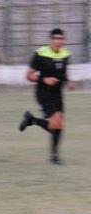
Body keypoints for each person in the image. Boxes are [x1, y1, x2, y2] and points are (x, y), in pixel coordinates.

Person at [18, 28, 75, 165]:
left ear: (64, 40)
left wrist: (69, 81)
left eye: (61, 39)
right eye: (55, 38)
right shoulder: (40, 54)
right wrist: (44, 79)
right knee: (57, 123)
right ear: (50, 40)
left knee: (59, 127)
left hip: (58, 94)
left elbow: (64, 71)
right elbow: (29, 75)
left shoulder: (66, 54)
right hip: (44, 93)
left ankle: (31, 120)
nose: (58, 41)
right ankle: (54, 158)